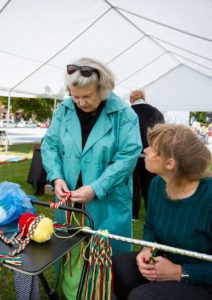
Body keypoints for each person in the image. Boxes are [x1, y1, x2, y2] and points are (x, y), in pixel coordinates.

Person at [41, 57, 142, 299]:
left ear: (103, 90)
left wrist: (97, 187)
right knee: (70, 250)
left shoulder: (125, 116)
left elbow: (127, 157)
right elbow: (50, 146)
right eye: (75, 96)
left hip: (106, 202)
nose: (80, 102)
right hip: (69, 200)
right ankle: (71, 291)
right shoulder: (64, 109)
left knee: (105, 256)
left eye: (87, 96)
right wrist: (56, 177)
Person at [113, 123, 212, 300]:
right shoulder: (158, 185)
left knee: (142, 296)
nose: (146, 149)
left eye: (153, 148)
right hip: (171, 263)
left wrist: (179, 272)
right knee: (121, 265)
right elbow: (150, 225)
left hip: (204, 281)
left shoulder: (208, 197)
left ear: (169, 163)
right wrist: (147, 250)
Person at [129, 89, 164, 220]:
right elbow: (162, 134)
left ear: (131, 99)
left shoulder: (127, 112)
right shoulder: (156, 112)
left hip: (132, 153)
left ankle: (134, 214)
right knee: (149, 183)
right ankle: (151, 213)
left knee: (134, 183)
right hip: (151, 153)